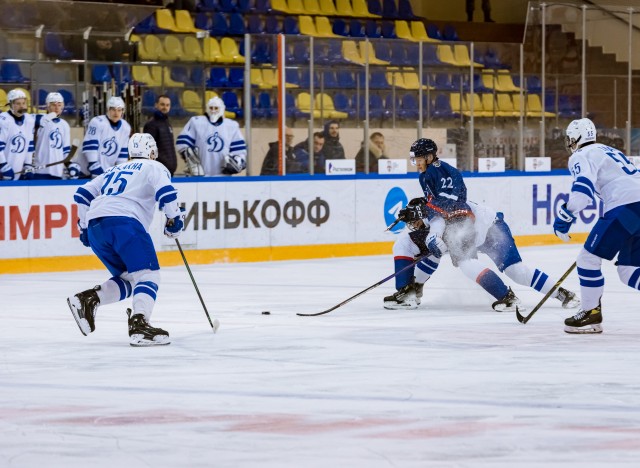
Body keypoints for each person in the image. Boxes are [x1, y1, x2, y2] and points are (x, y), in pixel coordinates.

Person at [67, 133, 184, 346]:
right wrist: (175, 219)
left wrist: (83, 228)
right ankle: (139, 325)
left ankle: (88, 299)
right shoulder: (155, 167)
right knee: (149, 275)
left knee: (131, 278)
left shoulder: (113, 169)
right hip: (125, 224)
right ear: (151, 152)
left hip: (96, 226)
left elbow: (82, 194)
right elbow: (167, 193)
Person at [384, 138, 523, 311]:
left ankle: (507, 297)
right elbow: (436, 207)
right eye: (415, 160)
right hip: (448, 222)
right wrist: (424, 216)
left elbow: (447, 203)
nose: (416, 163)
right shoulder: (428, 174)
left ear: (429, 157)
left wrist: (429, 222)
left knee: (466, 264)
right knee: (405, 243)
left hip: (459, 222)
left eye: (419, 159)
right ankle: (408, 293)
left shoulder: (440, 172)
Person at [386, 197, 580, 311]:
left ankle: (562, 294)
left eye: (416, 223)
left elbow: (444, 235)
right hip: (468, 235)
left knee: (516, 272)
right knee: (434, 251)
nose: (414, 228)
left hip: (491, 229)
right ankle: (413, 291)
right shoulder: (431, 220)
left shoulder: (438, 220)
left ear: (425, 217)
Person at [553, 118, 640, 334]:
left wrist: (564, 217)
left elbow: (582, 195)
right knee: (629, 271)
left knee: (587, 259)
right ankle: (591, 312)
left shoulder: (580, 155)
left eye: (570, 138)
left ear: (575, 138)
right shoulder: (609, 150)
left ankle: (591, 313)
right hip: (633, 206)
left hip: (626, 207)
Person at [176, 96, 247, 176]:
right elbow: (182, 142)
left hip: (223, 178)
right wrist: (191, 159)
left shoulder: (231, 126)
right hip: (200, 176)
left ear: (222, 109)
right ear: (207, 108)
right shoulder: (196, 122)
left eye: (216, 108)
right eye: (211, 108)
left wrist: (237, 161)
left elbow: (239, 150)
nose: (213, 110)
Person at [68, 96, 131, 179]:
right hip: (84, 168)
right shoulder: (97, 122)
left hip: (105, 171)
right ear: (108, 110)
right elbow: (90, 146)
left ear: (122, 111)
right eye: (113, 109)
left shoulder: (125, 127)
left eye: (119, 110)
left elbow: (122, 153)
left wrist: (121, 170)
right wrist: (94, 164)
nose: (116, 113)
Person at [33, 92, 71, 180]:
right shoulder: (41, 119)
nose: (57, 108)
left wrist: (70, 164)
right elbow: (29, 119)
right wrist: (49, 117)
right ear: (47, 106)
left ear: (63, 106)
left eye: (59, 105)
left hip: (57, 171)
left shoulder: (64, 125)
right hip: (40, 170)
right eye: (53, 105)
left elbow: (65, 150)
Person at [0, 88, 35, 180]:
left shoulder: (29, 120)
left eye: (23, 103)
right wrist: (3, 166)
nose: (22, 106)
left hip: (17, 170)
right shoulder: (3, 120)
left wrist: (28, 164)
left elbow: (29, 146)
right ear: (11, 104)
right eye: (18, 103)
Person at [143, 94, 177, 176]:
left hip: (168, 171)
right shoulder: (151, 125)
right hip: (159, 171)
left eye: (167, 105)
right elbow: (149, 150)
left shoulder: (167, 123)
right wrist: (164, 164)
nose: (165, 107)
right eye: (162, 104)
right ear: (156, 105)